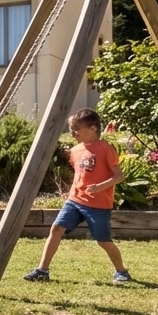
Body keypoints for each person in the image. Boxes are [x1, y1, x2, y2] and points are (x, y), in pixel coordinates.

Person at [23, 108, 132, 284]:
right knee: (56, 229)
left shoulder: (105, 149)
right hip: (75, 200)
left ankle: (122, 271)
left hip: (98, 205)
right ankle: (42, 270)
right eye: (71, 130)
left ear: (93, 128)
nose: (73, 133)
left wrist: (100, 187)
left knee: (103, 240)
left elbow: (119, 176)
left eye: (77, 130)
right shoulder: (75, 150)